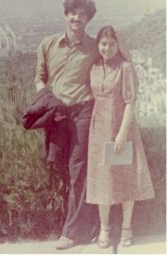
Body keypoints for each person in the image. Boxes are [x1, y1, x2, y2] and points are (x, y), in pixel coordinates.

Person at [34, 0, 99, 249]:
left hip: (83, 112)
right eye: (73, 13)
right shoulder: (48, 44)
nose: (76, 19)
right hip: (57, 115)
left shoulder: (94, 47)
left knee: (78, 168)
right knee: (59, 166)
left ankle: (71, 232)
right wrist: (50, 101)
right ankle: (85, 225)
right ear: (65, 15)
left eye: (82, 15)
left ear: (88, 19)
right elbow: (39, 78)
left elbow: (115, 59)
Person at [86, 26, 155, 248]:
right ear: (98, 45)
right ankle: (104, 228)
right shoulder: (94, 68)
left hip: (121, 128)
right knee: (102, 179)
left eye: (112, 44)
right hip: (99, 131)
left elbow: (130, 101)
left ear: (119, 45)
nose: (107, 48)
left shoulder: (125, 68)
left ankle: (127, 227)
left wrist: (122, 134)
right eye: (104, 44)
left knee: (126, 177)